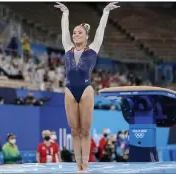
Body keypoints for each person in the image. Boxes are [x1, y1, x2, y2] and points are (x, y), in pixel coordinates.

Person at [54, 2, 120, 171]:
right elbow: (63, 30)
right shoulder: (68, 48)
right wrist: (65, 13)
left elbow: (101, 31)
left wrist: (105, 12)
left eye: (79, 32)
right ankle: (78, 166)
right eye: (74, 32)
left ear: (86, 36)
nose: (76, 34)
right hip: (69, 90)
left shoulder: (93, 49)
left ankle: (85, 164)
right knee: (74, 131)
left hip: (86, 91)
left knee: (85, 130)